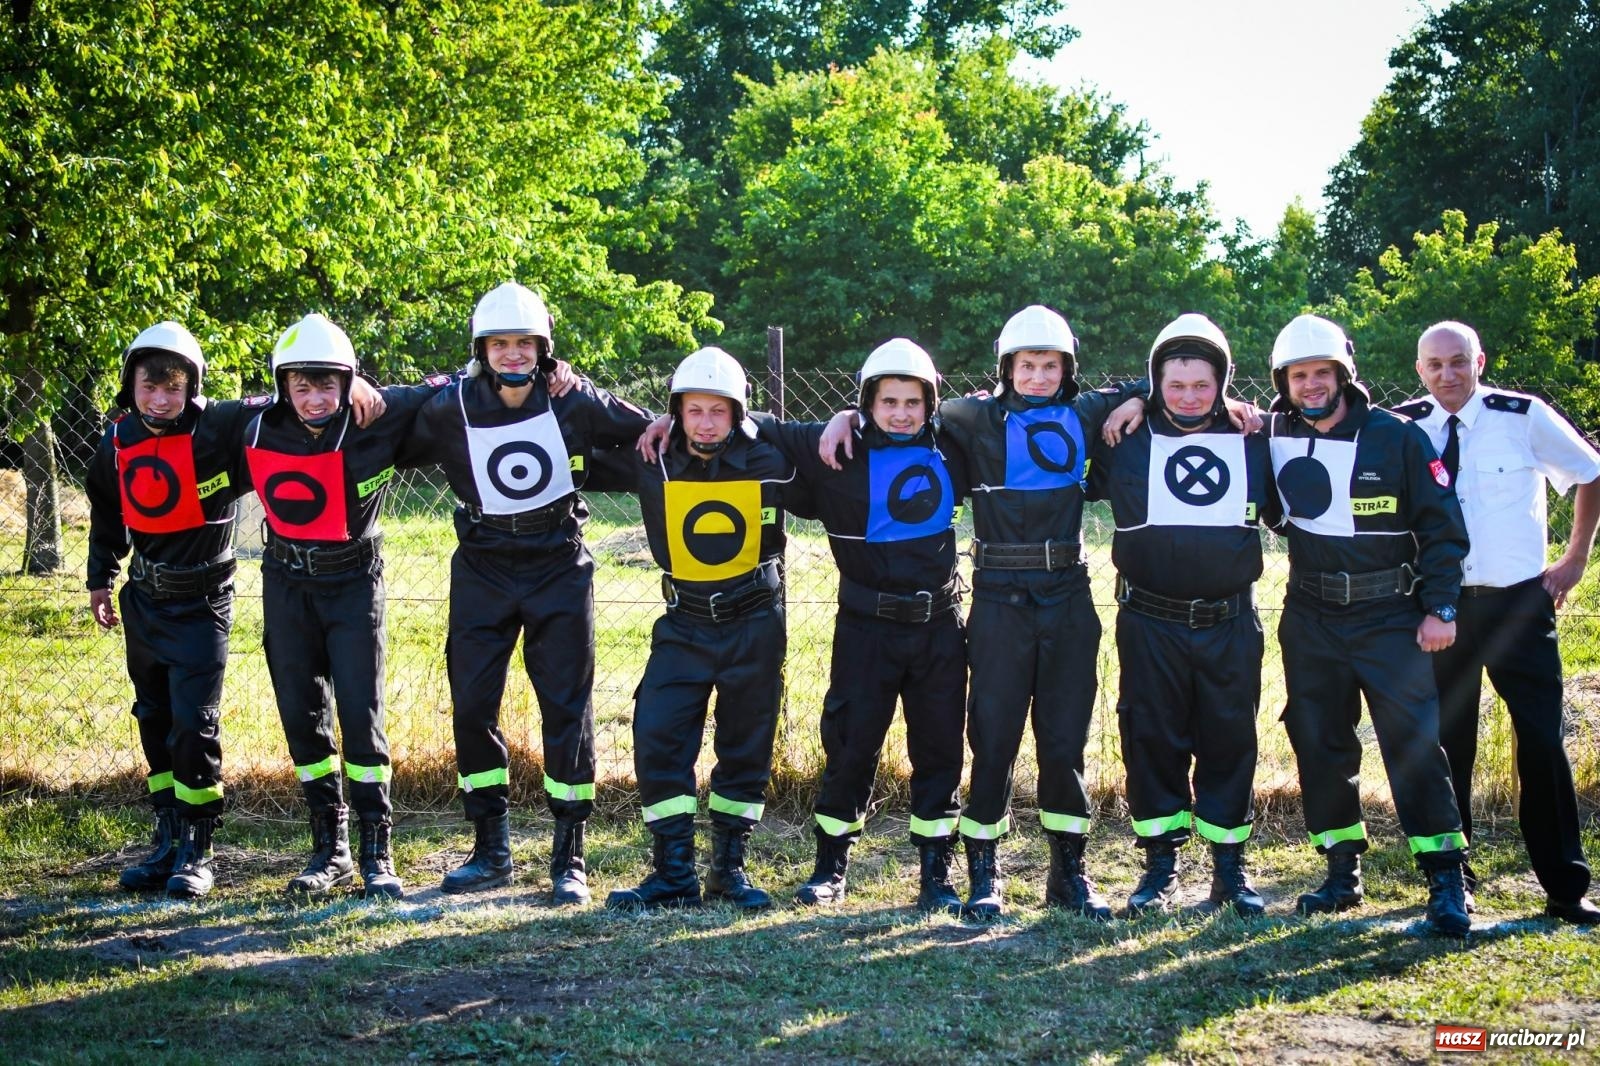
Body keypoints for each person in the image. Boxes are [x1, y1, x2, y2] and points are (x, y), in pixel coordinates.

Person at [87, 321, 382, 898]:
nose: (161, 399)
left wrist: (360, 384)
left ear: (193, 387)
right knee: (154, 720)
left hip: (203, 602)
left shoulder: (220, 425)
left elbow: (290, 396)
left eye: (174, 387)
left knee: (194, 725)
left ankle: (199, 849)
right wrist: (101, 577)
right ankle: (167, 840)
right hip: (144, 599)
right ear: (130, 387)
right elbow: (105, 507)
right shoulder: (115, 439)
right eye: (149, 387)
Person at [398, 281, 652, 900]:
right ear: (482, 347)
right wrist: (352, 385)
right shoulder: (449, 404)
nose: (512, 354)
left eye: (524, 343)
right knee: (472, 704)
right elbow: (382, 413)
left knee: (567, 706)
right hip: (482, 565)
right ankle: (491, 849)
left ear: (543, 346)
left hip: (558, 563)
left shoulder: (576, 398)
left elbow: (648, 431)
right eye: (500, 343)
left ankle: (571, 856)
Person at [704, 339, 970, 912]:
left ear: (931, 404)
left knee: (941, 748)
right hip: (865, 628)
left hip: (939, 626)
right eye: (887, 401)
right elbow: (754, 422)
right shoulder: (837, 451)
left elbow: (1016, 409)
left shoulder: (956, 446)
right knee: (850, 745)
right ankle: (830, 867)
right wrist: (838, 419)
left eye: (913, 402)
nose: (901, 412)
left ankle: (936, 875)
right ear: (867, 403)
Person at [903, 306, 1147, 919]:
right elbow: (903, 405)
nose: (1038, 376)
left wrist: (1136, 401)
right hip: (999, 600)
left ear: (1067, 368)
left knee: (1063, 742)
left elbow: (1160, 377)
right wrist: (845, 419)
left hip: (1067, 595)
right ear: (1006, 367)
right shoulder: (973, 415)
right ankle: (985, 873)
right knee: (993, 739)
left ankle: (1070, 875)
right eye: (1026, 365)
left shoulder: (1087, 412)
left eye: (1050, 365)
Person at [1267, 313, 1472, 937]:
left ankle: (1444, 878)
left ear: (1343, 374)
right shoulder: (1270, 433)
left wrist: (1441, 608)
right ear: (1284, 382)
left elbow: (1443, 531)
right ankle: (1340, 870)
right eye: (1299, 376)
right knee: (1320, 741)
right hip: (1310, 614)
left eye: (1321, 373)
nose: (1311, 385)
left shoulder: (1398, 437)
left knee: (1412, 745)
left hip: (1390, 617)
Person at [1393, 320, 1600, 924]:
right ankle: (1454, 883)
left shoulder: (1522, 415)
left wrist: (1574, 559)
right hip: (1439, 608)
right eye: (1434, 366)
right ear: (1419, 370)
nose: (1447, 375)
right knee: (1446, 745)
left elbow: (1590, 471)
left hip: (1517, 604)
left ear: (1479, 359)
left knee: (1541, 742)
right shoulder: (1404, 426)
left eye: (1458, 362)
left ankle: (1565, 887)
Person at [237, 313, 450, 899]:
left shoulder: (376, 414)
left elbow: (456, 381)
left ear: (348, 379)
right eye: (300, 386)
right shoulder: (255, 424)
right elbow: (184, 415)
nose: (313, 399)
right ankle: (329, 849)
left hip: (355, 583)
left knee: (361, 713)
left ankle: (377, 851)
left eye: (327, 384)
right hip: (285, 584)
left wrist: (364, 385)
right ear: (282, 384)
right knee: (302, 715)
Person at [1088, 313, 1275, 917]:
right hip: (1149, 623)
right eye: (1173, 385)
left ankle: (1229, 871)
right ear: (1155, 383)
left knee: (1230, 741)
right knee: (1151, 741)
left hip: (1228, 622)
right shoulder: (1123, 434)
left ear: (1222, 383)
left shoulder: (1254, 434)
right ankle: (1159, 868)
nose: (1189, 397)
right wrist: (1130, 398)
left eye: (1202, 385)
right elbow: (1050, 400)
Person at [604, 348, 796, 911]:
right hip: (684, 622)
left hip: (755, 619)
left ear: (737, 413)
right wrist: (648, 422)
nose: (706, 422)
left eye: (719, 410)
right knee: (657, 732)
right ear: (677, 413)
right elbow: (584, 430)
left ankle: (728, 872)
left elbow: (831, 434)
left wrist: (836, 419)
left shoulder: (771, 453)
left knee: (746, 744)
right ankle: (672, 873)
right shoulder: (653, 456)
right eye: (693, 411)